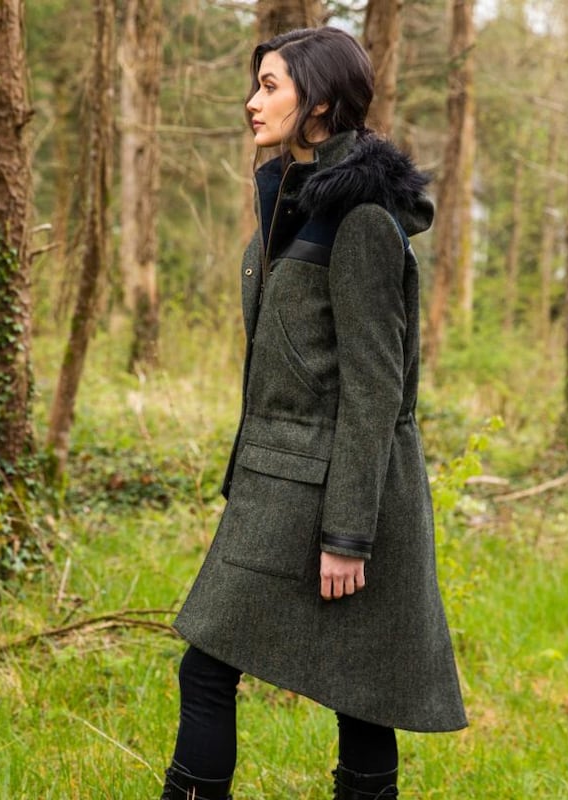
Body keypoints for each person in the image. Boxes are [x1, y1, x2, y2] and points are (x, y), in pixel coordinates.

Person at [161, 26, 467, 800]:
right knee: (220, 670)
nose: (251, 101)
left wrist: (348, 535)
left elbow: (375, 388)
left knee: (358, 691)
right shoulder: (292, 202)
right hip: (281, 483)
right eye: (256, 84)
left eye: (270, 86)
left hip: (342, 492)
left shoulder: (359, 220)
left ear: (321, 104)